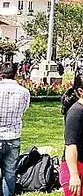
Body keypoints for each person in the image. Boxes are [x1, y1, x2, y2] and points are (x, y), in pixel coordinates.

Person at [0, 62, 30, 196]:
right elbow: (24, 109)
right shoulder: (24, 92)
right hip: (13, 136)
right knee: (10, 172)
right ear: (16, 74)